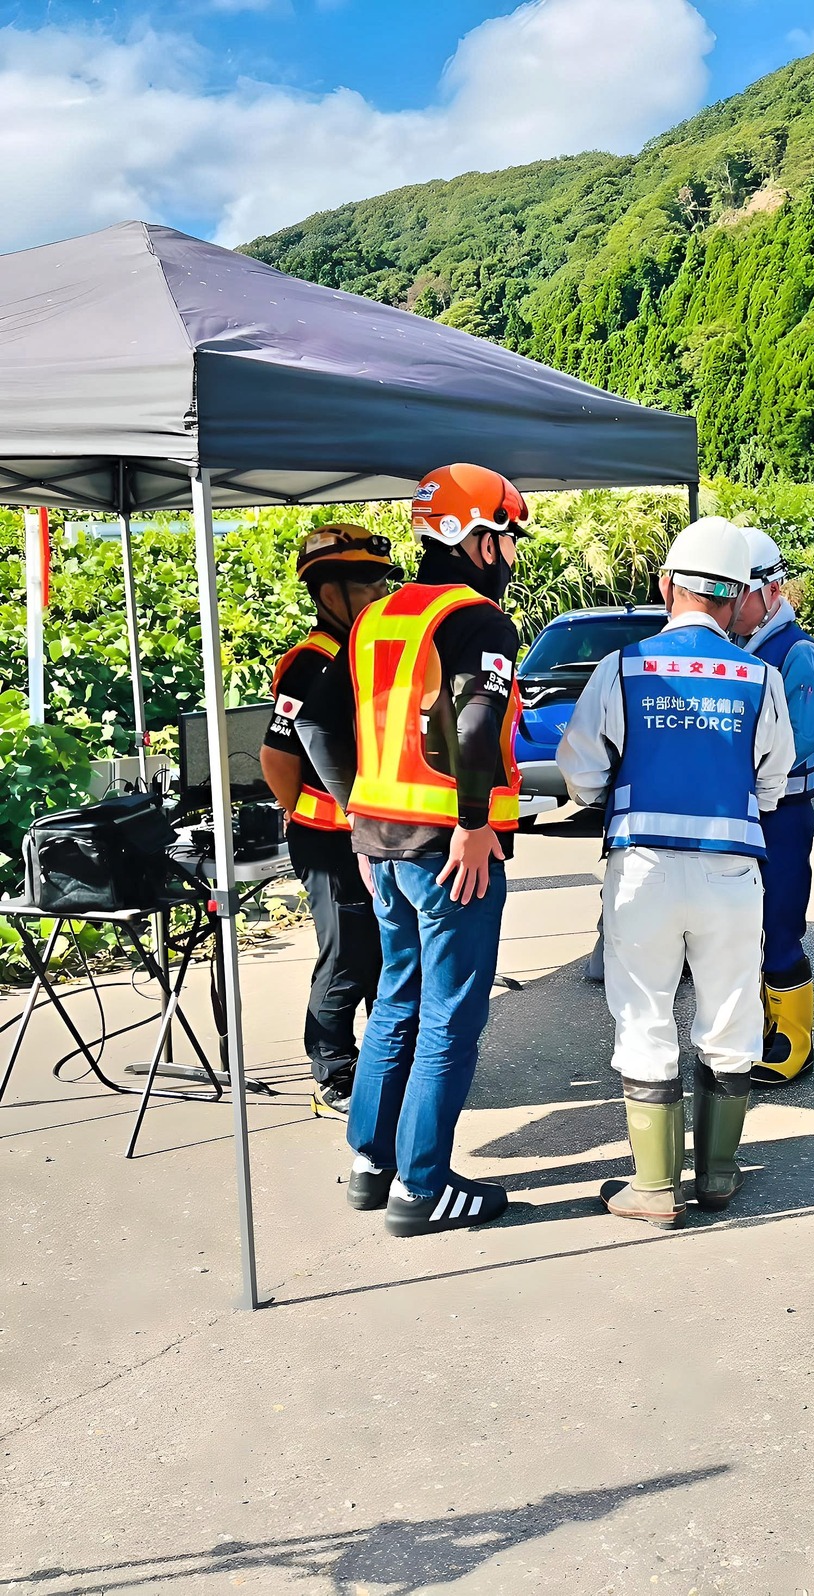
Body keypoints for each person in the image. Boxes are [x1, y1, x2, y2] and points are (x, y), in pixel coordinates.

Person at [297, 463, 527, 1236]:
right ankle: (423, 1187)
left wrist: (356, 814)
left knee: (398, 999)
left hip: (384, 843)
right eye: (508, 538)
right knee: (450, 1015)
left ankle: (372, 1164)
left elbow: (315, 723)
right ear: (476, 540)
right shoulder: (477, 619)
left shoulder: (375, 617)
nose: (514, 555)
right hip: (451, 848)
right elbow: (470, 723)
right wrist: (470, 823)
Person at [557, 517, 794, 1227]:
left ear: (666, 586)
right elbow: (774, 783)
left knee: (643, 1015)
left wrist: (609, 794)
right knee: (729, 1015)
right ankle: (718, 1174)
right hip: (730, 873)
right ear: (736, 600)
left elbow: (581, 770)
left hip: (644, 868)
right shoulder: (762, 676)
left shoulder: (623, 668)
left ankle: (655, 1188)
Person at [260, 525, 389, 1116]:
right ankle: (333, 1073)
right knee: (347, 956)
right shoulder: (311, 665)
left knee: (383, 954)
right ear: (327, 593)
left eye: (380, 579)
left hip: (368, 833)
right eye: (365, 582)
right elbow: (277, 758)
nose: (378, 591)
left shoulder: (362, 650)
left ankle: (383, 1063)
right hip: (327, 838)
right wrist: (307, 811)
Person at [731, 527, 814, 1085]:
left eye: (738, 593)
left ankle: (795, 1039)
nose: (730, 605)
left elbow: (797, 741)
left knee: (781, 922)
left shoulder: (800, 655)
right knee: (746, 927)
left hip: (785, 814)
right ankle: (763, 1030)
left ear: (770, 590)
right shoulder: (737, 647)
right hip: (747, 812)